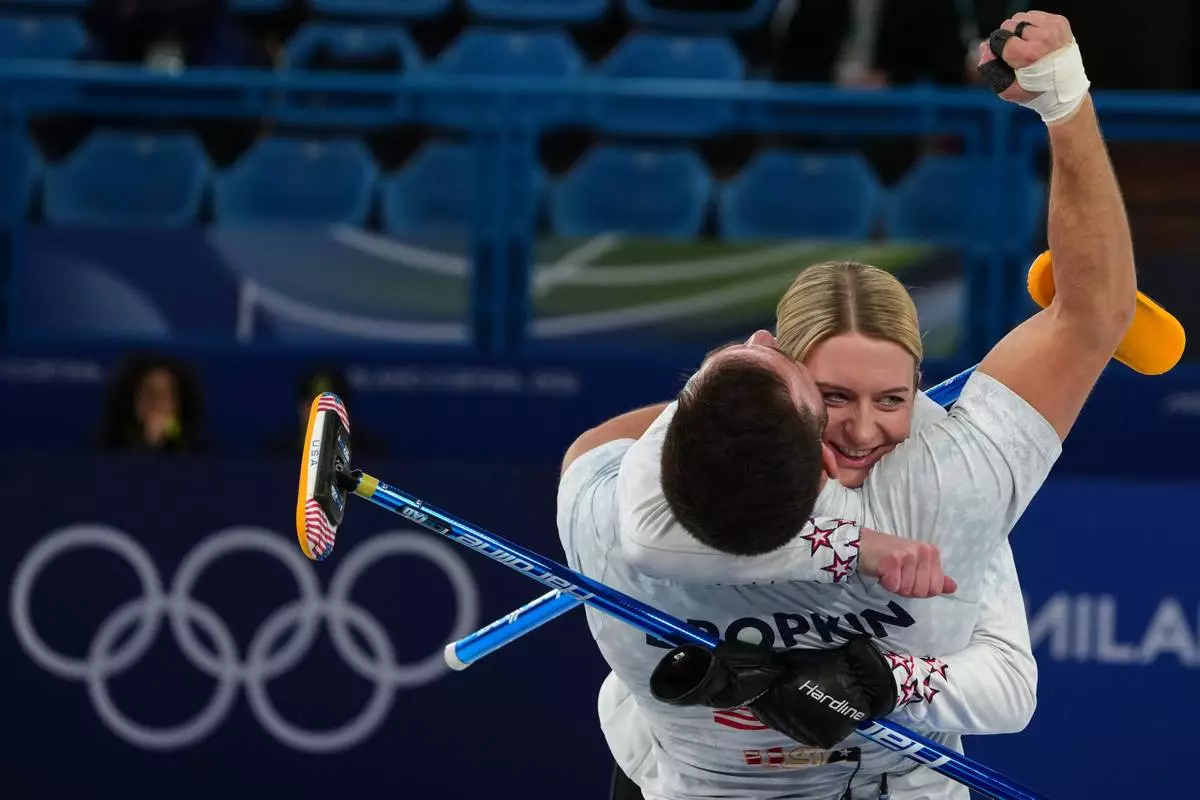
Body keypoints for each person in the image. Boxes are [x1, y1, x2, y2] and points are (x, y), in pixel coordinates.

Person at [558, 11, 1132, 799]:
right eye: (833, 398)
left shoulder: (949, 475)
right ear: (784, 377)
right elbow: (1088, 316)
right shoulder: (637, 526)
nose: (864, 430)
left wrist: (889, 679)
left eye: (893, 398)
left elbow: (1096, 315)